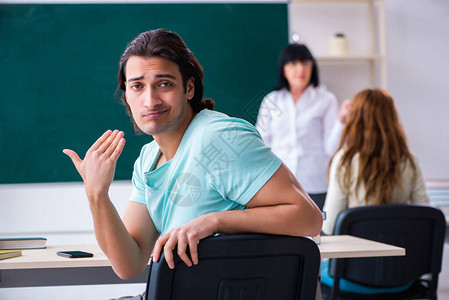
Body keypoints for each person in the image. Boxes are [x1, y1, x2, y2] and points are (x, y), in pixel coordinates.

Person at [63, 29, 323, 287]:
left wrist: (214, 222)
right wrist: (97, 195)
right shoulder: (148, 159)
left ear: (189, 88)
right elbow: (128, 264)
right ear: (126, 96)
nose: (150, 100)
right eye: (137, 86)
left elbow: (309, 219)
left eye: (164, 84)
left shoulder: (219, 138)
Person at [320, 88, 429, 294]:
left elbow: (331, 223)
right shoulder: (409, 161)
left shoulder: (344, 162)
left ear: (355, 121)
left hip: (352, 276)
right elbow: (424, 213)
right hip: (401, 276)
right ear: (392, 120)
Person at [256, 43, 351, 210]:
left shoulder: (326, 100)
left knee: (319, 234)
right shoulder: (272, 101)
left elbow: (331, 149)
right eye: (293, 64)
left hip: (315, 184)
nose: (300, 69)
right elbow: (261, 144)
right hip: (279, 185)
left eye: (306, 63)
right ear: (283, 69)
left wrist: (341, 121)